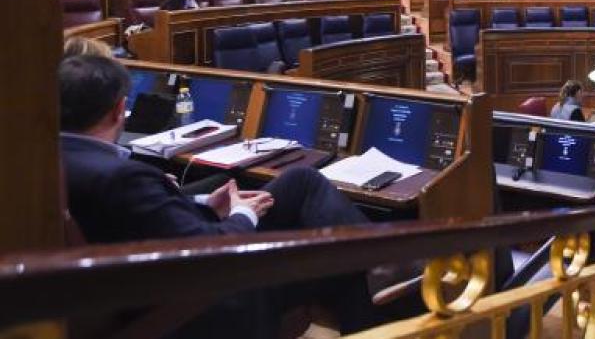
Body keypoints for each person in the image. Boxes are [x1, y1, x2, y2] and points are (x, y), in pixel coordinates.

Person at [57, 54, 381, 335]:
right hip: (202, 297)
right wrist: (243, 214)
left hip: (145, 273)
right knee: (342, 261)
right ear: (119, 110)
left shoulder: (49, 162)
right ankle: (382, 265)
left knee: (300, 181)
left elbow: (142, 220)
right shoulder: (122, 177)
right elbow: (209, 255)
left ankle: (377, 263)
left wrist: (203, 203)